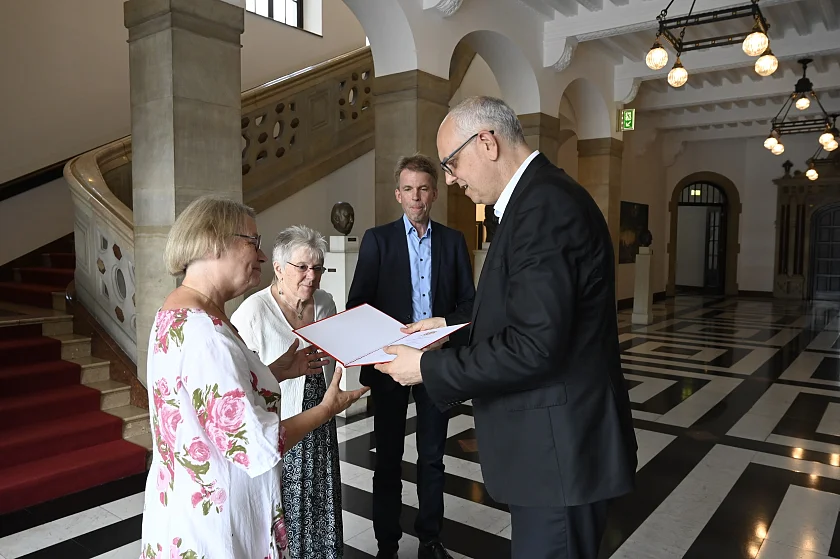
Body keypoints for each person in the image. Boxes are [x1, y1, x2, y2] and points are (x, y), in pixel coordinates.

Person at [374, 96, 638, 559]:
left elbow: (535, 346)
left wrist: (428, 369)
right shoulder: (537, 199)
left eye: (452, 164)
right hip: (556, 450)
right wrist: (452, 323)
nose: (451, 180)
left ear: (488, 143)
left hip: (558, 455)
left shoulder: (543, 208)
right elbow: (536, 308)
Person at [140, 196, 368, 559]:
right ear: (214, 242)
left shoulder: (177, 311)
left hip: (183, 506)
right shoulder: (206, 333)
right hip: (217, 525)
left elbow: (210, 403)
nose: (261, 256)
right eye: (253, 243)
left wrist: (276, 370)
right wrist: (327, 408)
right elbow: (259, 445)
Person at [346, 154, 475, 559]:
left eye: (423, 189)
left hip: (435, 363)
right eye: (408, 189)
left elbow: (470, 307)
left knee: (433, 457)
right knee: (387, 459)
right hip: (389, 365)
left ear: (434, 193)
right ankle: (387, 545)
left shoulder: (453, 242)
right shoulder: (377, 240)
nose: (416, 197)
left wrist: (441, 330)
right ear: (397, 194)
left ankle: (430, 540)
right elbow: (358, 305)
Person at [231, 225, 343, 559]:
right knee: (285, 504)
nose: (312, 275)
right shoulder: (253, 312)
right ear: (279, 269)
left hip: (320, 416)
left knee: (322, 496)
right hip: (281, 425)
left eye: (318, 267)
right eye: (303, 267)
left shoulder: (325, 304)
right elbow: (244, 385)